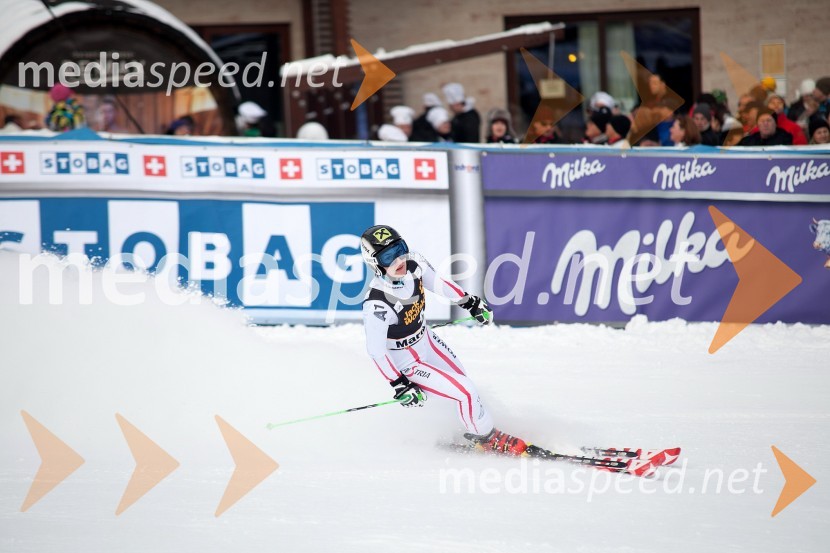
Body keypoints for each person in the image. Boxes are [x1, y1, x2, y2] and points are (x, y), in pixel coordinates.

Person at [359, 225, 527, 455]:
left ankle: (467, 427)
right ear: (375, 264)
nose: (398, 260)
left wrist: (469, 302)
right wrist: (399, 384)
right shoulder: (376, 304)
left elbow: (439, 283)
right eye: (388, 256)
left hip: (427, 341)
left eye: (400, 249)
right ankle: (486, 438)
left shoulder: (414, 264)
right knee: (466, 391)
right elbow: (376, 351)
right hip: (408, 362)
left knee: (461, 382)